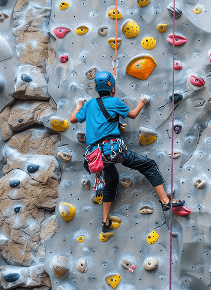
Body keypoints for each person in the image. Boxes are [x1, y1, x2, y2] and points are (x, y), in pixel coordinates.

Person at [70, 71, 185, 233]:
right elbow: (132, 114)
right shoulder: (114, 102)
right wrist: (142, 102)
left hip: (95, 157)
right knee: (149, 165)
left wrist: (79, 104)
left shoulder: (89, 105)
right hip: (112, 151)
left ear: (96, 87)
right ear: (113, 87)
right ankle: (165, 200)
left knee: (111, 180)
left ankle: (105, 222)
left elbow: (73, 119)